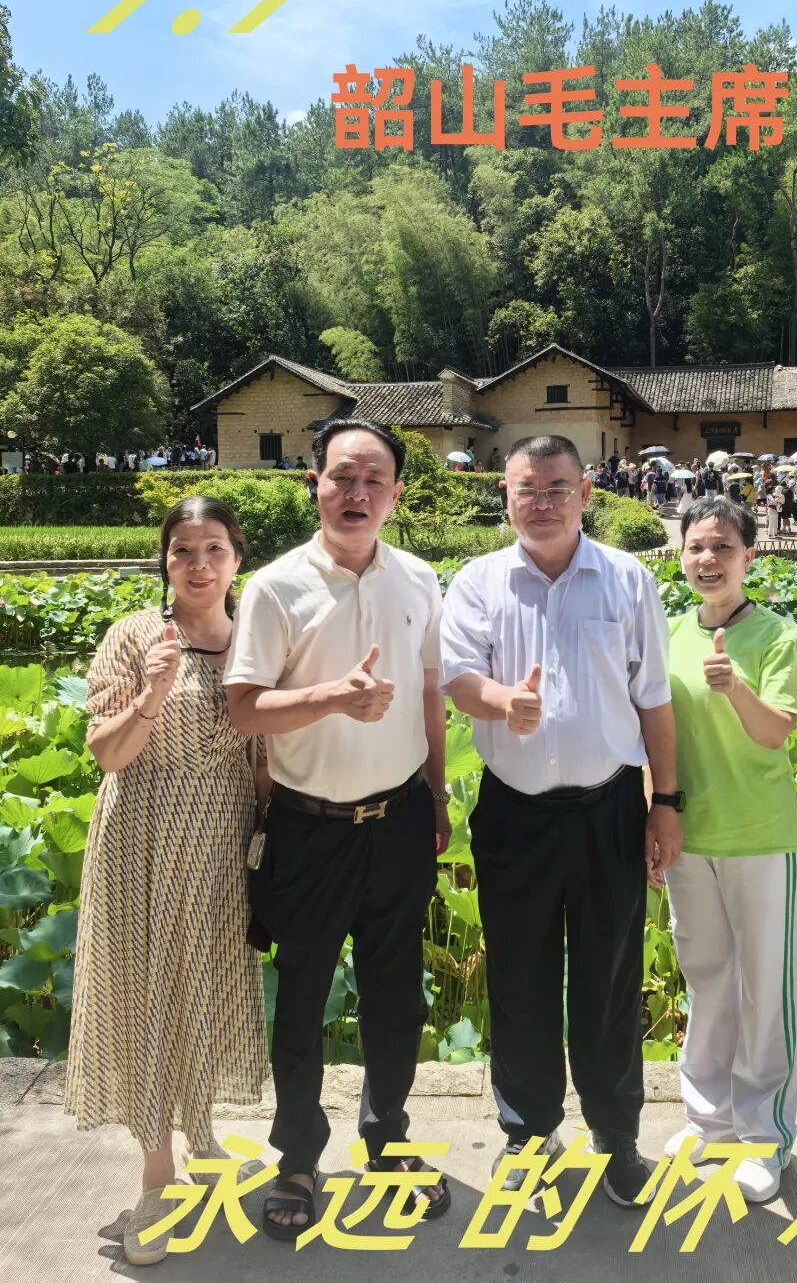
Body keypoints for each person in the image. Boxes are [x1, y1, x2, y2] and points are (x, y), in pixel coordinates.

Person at [224, 419, 453, 1239]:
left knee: (397, 999)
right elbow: (244, 708)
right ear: (314, 484)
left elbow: (429, 692)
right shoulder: (275, 587)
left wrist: (437, 794)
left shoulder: (419, 579)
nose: (357, 493)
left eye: (373, 480)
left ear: (396, 493)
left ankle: (388, 1141)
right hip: (309, 828)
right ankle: (297, 1156)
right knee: (302, 1001)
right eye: (341, 477)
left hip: (398, 820)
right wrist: (332, 698)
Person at [440, 435, 681, 1207]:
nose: (541, 502)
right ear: (505, 495)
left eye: (556, 488)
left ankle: (616, 1134)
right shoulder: (478, 581)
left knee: (611, 976)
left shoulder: (627, 578)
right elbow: (459, 677)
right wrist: (502, 702)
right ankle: (529, 1130)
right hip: (514, 813)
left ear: (585, 492)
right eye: (527, 489)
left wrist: (665, 803)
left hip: (609, 807)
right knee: (519, 976)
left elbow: (654, 700)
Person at [64, 497, 269, 1266]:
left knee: (205, 992)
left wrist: (272, 839)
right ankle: (158, 1174)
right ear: (166, 561)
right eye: (183, 550)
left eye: (214, 548)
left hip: (221, 840)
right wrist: (152, 693)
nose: (198, 564)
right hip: (141, 834)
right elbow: (107, 753)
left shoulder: (258, 640)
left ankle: (204, 1142)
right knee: (143, 995)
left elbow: (266, 755)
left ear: (237, 558)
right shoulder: (133, 636)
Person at [663, 498, 797, 1202]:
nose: (708, 560)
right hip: (689, 837)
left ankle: (765, 1137)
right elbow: (656, 736)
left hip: (760, 839)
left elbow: (776, 731)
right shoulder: (671, 634)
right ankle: (709, 1121)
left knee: (765, 989)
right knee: (706, 980)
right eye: (696, 547)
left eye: (723, 547)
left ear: (749, 556)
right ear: (681, 557)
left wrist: (736, 687)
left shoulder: (778, 635)